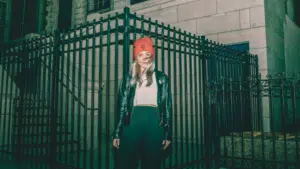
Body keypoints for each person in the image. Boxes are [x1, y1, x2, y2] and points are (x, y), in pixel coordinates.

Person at [112, 36, 172, 169]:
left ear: (152, 56)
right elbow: (121, 105)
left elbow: (167, 107)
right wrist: (117, 132)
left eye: (147, 54)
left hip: (154, 124)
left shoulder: (162, 78)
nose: (144, 58)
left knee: (152, 163)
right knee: (125, 162)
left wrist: (168, 133)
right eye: (140, 54)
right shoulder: (129, 78)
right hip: (132, 123)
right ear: (136, 57)